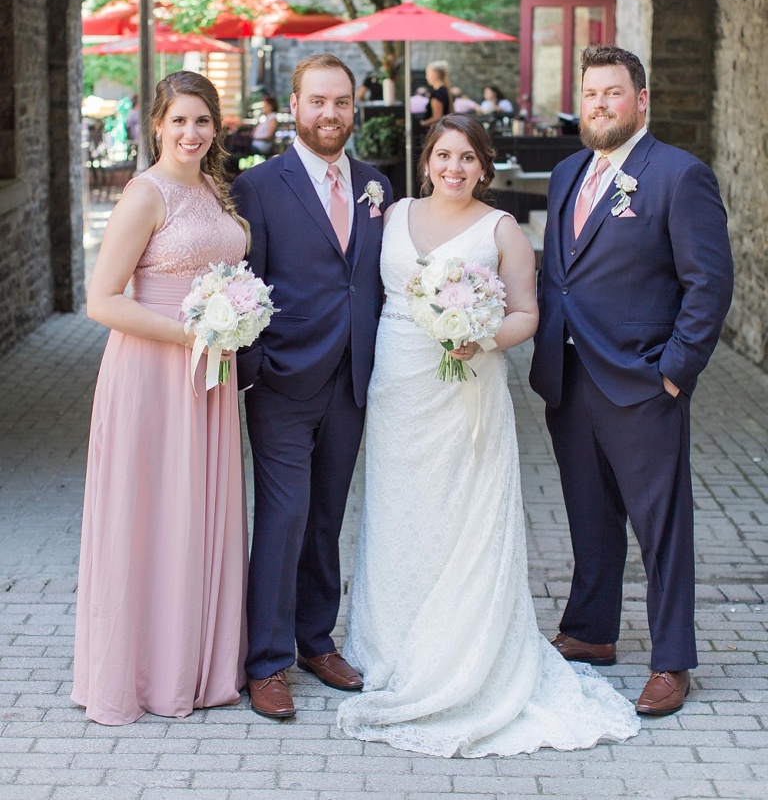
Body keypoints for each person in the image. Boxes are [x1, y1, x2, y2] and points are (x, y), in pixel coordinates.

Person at [336, 113, 640, 756]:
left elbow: (527, 314)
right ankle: (390, 646)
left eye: (467, 159)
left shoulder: (502, 230)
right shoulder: (391, 217)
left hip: (468, 387)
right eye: (444, 156)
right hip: (399, 387)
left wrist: (478, 334)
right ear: (426, 162)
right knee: (399, 516)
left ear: (483, 166)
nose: (454, 168)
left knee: (464, 518)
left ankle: (468, 651)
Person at [529, 45, 733, 718]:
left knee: (661, 527)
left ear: (640, 100)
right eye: (591, 94)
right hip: (570, 378)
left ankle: (672, 658)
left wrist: (674, 373)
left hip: (643, 382)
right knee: (589, 516)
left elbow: (708, 284)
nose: (601, 105)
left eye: (614, 93)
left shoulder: (678, 175)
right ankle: (590, 630)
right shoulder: (565, 174)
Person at [72, 70, 250, 725]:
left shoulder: (210, 186)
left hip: (209, 379)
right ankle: (139, 672)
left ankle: (195, 666)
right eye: (179, 120)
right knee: (149, 513)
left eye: (202, 120)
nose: (191, 132)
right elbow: (101, 300)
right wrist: (194, 331)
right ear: (156, 124)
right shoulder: (145, 194)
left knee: (196, 514)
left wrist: (232, 321)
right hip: (152, 374)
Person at [231, 54, 394, 721]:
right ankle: (267, 659)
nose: (330, 113)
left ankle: (315, 638)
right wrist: (255, 368)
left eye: (342, 102)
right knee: (284, 513)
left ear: (354, 109)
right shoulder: (257, 186)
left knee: (327, 513)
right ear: (293, 106)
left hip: (353, 378)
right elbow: (245, 283)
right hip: (285, 380)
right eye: (318, 101)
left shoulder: (376, 184)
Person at [420, 60, 452, 126]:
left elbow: (437, 117)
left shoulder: (438, 94)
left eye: (428, 74)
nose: (426, 77)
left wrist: (423, 123)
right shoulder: (445, 90)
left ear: (435, 74)